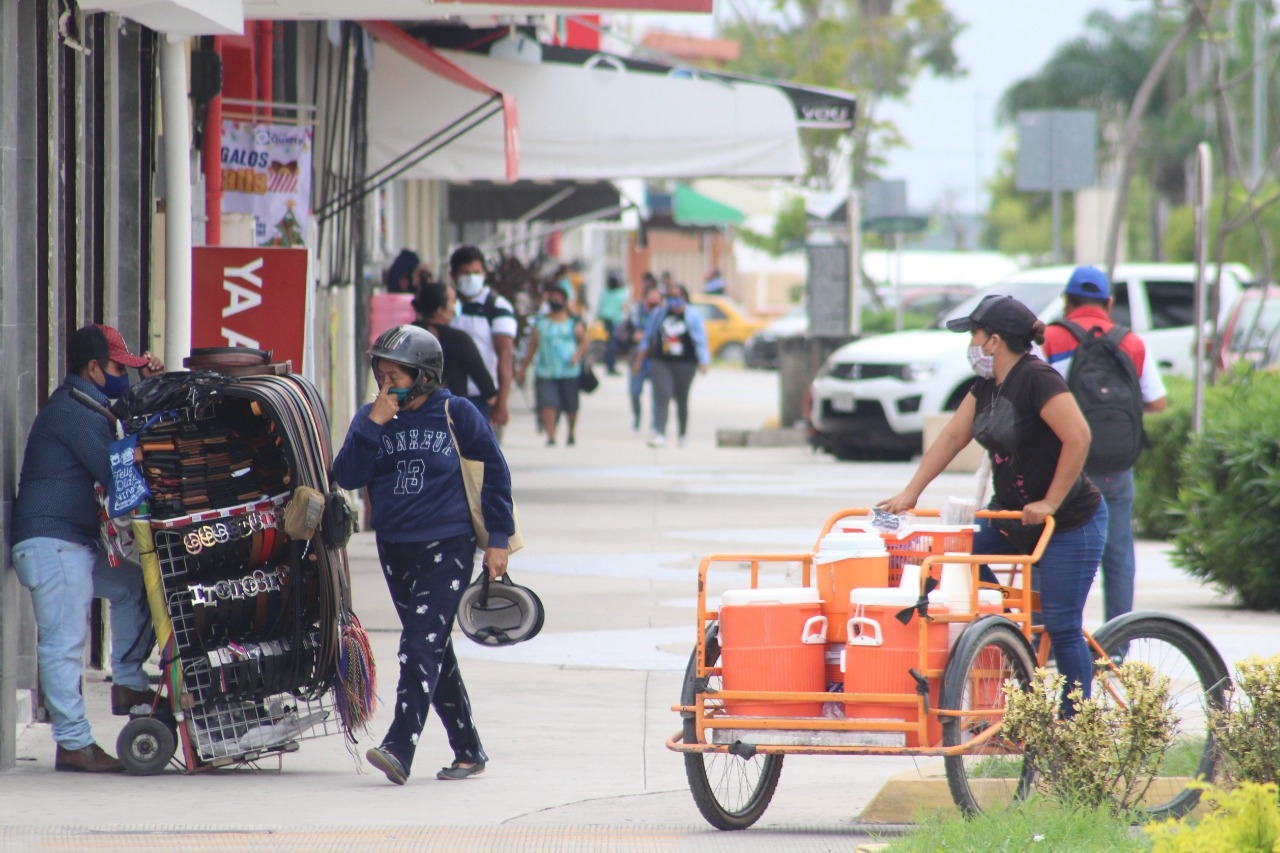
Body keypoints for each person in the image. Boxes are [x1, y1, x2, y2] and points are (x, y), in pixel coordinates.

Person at [878, 295, 1106, 711]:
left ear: (994, 341)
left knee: (1061, 624)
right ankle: (1004, 628)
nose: (971, 343)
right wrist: (911, 493)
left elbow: (1079, 437)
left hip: (1069, 523)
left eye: (974, 334)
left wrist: (1051, 501)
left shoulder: (1039, 379)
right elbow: (951, 437)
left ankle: (1075, 728)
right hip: (1010, 518)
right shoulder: (985, 386)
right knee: (953, 556)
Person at [332, 325, 514, 786]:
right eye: (381, 373)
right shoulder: (371, 417)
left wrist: (497, 538)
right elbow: (347, 475)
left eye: (397, 374)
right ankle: (468, 749)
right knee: (431, 646)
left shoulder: (458, 413)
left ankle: (399, 745)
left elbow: (494, 472)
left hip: (448, 544)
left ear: (425, 376)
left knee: (418, 645)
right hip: (394, 546)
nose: (387, 383)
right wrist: (373, 424)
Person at [10, 324, 164, 772]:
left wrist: (146, 388)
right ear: (93, 368)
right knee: (65, 642)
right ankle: (75, 744)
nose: (123, 375)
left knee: (135, 587)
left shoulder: (91, 405)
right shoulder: (75, 413)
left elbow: (121, 435)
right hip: (52, 544)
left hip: (72, 543)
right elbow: (120, 475)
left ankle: (130, 683)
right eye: (119, 368)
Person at [1040, 266, 1167, 624]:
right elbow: (1157, 402)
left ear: (1066, 301)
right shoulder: (1131, 342)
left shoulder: (1051, 338)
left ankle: (1043, 640)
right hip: (1115, 463)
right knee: (1118, 555)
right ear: (1109, 303)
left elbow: (1033, 397)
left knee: (1050, 548)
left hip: (1063, 465)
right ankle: (1118, 645)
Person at [449, 245, 517, 431]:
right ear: (453, 275)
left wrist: (501, 403)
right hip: (446, 394)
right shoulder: (445, 304)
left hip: (482, 396)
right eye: (465, 273)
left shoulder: (497, 307)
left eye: (476, 272)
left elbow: (505, 357)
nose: (471, 278)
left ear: (484, 274)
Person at [636, 284, 710, 448]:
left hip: (686, 363)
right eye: (670, 296)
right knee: (662, 395)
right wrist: (639, 360)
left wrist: (704, 361)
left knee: (681, 399)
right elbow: (648, 337)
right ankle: (660, 432)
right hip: (662, 362)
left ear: (684, 297)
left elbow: (701, 340)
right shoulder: (659, 314)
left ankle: (682, 434)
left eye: (676, 296)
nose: (673, 300)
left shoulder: (692, 315)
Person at [515, 284, 589, 446]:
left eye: (559, 298)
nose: (556, 301)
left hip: (569, 370)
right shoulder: (541, 324)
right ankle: (551, 435)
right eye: (553, 298)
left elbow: (584, 341)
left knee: (571, 405)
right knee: (547, 402)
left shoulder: (572, 322)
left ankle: (571, 432)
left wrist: (576, 356)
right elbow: (532, 348)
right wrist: (522, 369)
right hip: (546, 370)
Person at [412, 281, 498, 404]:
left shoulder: (406, 336)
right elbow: (486, 386)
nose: (456, 306)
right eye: (453, 301)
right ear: (440, 310)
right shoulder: (459, 340)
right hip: (450, 413)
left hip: (411, 412)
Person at [623, 286, 663, 432]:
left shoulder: (663, 316)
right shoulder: (635, 315)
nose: (654, 301)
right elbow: (621, 333)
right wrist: (632, 337)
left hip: (655, 359)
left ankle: (655, 423)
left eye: (657, 298)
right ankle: (637, 417)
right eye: (651, 297)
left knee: (656, 395)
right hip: (637, 358)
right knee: (634, 392)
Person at [595, 273, 627, 375]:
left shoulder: (606, 293)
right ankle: (610, 366)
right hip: (613, 321)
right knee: (611, 345)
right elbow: (624, 307)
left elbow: (600, 307)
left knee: (610, 344)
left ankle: (610, 364)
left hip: (607, 320)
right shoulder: (620, 293)